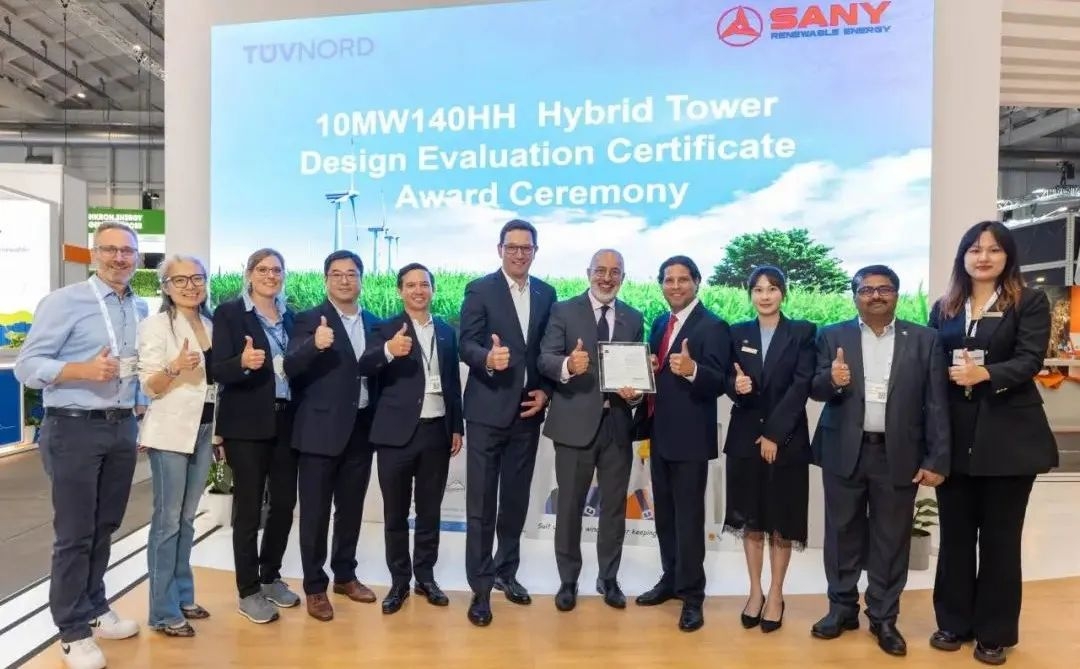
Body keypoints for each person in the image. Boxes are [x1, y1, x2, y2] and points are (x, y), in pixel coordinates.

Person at [14, 222, 147, 669]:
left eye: (127, 251)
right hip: (73, 428)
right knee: (74, 532)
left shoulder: (138, 307)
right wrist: (80, 371)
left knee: (105, 524)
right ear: (93, 254)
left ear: (137, 257)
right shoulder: (64, 302)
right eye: (110, 249)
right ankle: (71, 629)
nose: (119, 258)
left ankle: (93, 605)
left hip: (121, 427)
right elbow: (28, 366)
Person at [927, 221, 1058, 666]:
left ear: (1008, 257)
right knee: (956, 537)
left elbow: (1030, 359)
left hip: (1009, 439)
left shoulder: (1028, 301)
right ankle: (953, 622)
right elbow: (932, 364)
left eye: (993, 250)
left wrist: (985, 373)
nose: (983, 257)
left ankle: (994, 632)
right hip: (955, 437)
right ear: (962, 257)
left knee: (1001, 540)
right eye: (974, 249)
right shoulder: (945, 306)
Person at [809, 264, 950, 657]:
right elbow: (815, 388)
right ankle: (841, 609)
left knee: (891, 538)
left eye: (884, 289)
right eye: (866, 289)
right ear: (855, 295)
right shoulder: (832, 335)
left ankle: (884, 617)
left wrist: (937, 458)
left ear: (896, 295)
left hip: (898, 454)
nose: (875, 295)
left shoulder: (924, 339)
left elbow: (937, 403)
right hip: (844, 451)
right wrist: (832, 380)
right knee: (841, 533)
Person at [458, 219, 556, 626]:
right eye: (512, 247)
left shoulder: (547, 293)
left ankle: (506, 572)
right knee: (482, 504)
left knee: (515, 500)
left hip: (528, 413)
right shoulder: (479, 289)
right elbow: (466, 344)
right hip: (486, 412)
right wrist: (487, 358)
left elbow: (550, 350)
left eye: (526, 248)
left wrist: (546, 390)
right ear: (499, 249)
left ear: (535, 251)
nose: (519, 254)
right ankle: (480, 589)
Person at [538, 248, 645, 613]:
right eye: (600, 270)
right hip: (573, 425)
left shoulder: (634, 317)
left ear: (623, 278)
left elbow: (636, 374)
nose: (606, 278)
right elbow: (545, 358)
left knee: (613, 508)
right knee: (569, 506)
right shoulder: (563, 310)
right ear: (588, 273)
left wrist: (634, 396)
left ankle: (608, 579)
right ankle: (568, 580)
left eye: (615, 272)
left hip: (617, 426)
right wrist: (569, 364)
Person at [359, 263, 464, 614]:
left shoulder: (446, 332)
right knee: (396, 514)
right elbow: (365, 365)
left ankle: (425, 578)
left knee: (430, 512)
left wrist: (457, 427)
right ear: (400, 290)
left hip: (436, 432)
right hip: (395, 435)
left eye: (424, 284)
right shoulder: (384, 328)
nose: (418, 290)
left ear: (433, 289)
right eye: (410, 285)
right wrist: (389, 350)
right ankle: (399, 581)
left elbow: (452, 382)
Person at [283, 250, 380, 622]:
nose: (344, 280)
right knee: (315, 513)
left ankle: (345, 575)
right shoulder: (309, 319)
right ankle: (314, 586)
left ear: (361, 280)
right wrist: (315, 344)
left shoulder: (375, 323)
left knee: (351, 509)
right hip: (319, 431)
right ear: (326, 280)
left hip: (361, 429)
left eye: (351, 273)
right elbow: (291, 366)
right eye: (336, 274)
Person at [634, 256, 728, 632]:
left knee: (688, 520)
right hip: (659, 433)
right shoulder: (661, 322)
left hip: (690, 439)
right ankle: (670, 579)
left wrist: (693, 371)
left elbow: (719, 381)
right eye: (669, 280)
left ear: (697, 282)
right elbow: (656, 373)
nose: (675, 286)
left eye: (683, 279)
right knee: (666, 517)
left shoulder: (713, 326)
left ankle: (692, 595)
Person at [722, 266, 816, 635]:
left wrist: (775, 434)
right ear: (750, 295)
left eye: (772, 288)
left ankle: (776, 594)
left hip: (787, 441)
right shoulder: (737, 332)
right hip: (745, 439)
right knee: (752, 520)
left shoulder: (802, 332)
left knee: (781, 521)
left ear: (783, 293)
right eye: (758, 289)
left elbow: (801, 385)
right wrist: (736, 385)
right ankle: (754, 592)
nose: (765, 296)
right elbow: (727, 378)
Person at [211, 248, 300, 624]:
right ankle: (248, 590)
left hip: (287, 422)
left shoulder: (291, 316)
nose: (270, 276)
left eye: (277, 270)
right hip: (246, 426)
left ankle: (270, 576)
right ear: (249, 274)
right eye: (262, 269)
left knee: (284, 505)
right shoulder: (229, 313)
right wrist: (242, 363)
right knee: (248, 510)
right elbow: (218, 369)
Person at [137, 255, 216, 638]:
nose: (190, 286)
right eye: (180, 280)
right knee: (167, 522)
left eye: (197, 278)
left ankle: (183, 596)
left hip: (205, 430)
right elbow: (149, 386)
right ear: (165, 287)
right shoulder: (154, 326)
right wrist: (174, 366)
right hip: (170, 432)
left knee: (186, 520)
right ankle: (162, 610)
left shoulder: (212, 324)